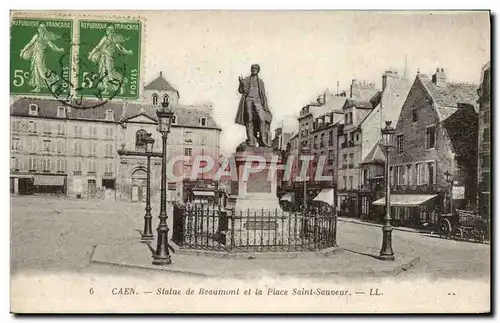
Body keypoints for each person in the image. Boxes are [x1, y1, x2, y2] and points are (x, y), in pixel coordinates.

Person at [234, 64, 272, 147]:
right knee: (249, 119)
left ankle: (263, 140)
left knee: (262, 119)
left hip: (258, 101)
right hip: (248, 100)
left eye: (256, 68)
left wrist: (266, 107)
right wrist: (241, 83)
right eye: (253, 68)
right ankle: (251, 140)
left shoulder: (261, 82)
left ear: (258, 70)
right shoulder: (246, 79)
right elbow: (241, 91)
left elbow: (263, 95)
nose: (254, 69)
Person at [88, 25, 133, 95]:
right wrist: (91, 54)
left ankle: (122, 85)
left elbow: (120, 48)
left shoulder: (114, 39)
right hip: (102, 58)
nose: (107, 31)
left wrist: (128, 52)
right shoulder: (104, 38)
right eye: (106, 30)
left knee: (111, 73)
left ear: (111, 31)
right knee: (103, 73)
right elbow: (98, 47)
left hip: (109, 58)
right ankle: (106, 89)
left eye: (108, 30)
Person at [20, 23, 64, 92]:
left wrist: (58, 50)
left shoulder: (46, 37)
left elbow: (52, 46)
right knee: (36, 70)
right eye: (38, 28)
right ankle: (38, 87)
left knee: (42, 71)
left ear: (43, 29)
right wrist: (23, 51)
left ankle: (53, 81)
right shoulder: (36, 36)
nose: (38, 29)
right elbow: (29, 44)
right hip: (35, 54)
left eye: (40, 28)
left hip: (41, 55)